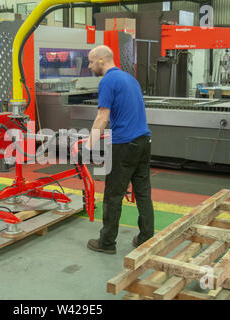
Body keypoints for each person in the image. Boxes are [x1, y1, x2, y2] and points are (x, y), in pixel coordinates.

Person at [84, 45, 154, 254]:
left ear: (102, 60)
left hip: (125, 145)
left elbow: (102, 117)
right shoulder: (130, 79)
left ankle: (106, 242)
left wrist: (88, 147)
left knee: (113, 194)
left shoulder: (108, 81)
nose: (89, 66)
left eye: (90, 61)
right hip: (144, 141)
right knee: (143, 192)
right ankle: (146, 237)